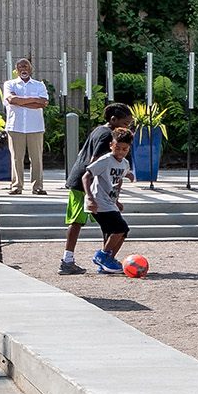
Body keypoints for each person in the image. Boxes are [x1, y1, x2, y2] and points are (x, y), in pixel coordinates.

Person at [59, 103, 132, 275]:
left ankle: (106, 261)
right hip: (83, 183)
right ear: (113, 120)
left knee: (108, 224)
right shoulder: (108, 135)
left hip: (87, 182)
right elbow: (94, 161)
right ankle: (68, 261)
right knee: (77, 221)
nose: (127, 127)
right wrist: (91, 195)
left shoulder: (99, 130)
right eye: (125, 123)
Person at [82, 127, 133, 276]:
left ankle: (107, 263)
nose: (120, 152)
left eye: (124, 149)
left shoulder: (125, 163)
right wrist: (90, 198)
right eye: (117, 148)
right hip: (98, 202)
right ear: (111, 145)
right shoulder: (105, 160)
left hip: (110, 202)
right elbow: (86, 176)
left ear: (129, 149)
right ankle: (102, 256)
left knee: (119, 232)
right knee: (120, 228)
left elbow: (118, 181)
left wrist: (116, 200)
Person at [3, 57, 51, 195]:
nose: (23, 69)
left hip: (35, 127)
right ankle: (16, 186)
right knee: (16, 158)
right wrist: (34, 100)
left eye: (26, 66)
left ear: (31, 69)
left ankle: (37, 187)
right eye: (20, 67)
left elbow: (43, 103)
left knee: (36, 158)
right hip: (15, 126)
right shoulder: (10, 84)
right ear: (16, 70)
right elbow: (11, 100)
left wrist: (21, 102)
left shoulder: (39, 85)